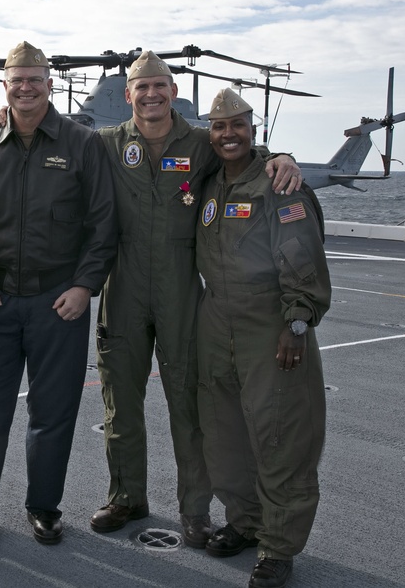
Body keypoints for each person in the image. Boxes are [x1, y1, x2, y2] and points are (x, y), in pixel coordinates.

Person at [89, 51, 302, 549]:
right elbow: (49, 134)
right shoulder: (104, 144)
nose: (151, 94)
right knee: (121, 401)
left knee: (190, 405)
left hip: (182, 289)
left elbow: (243, 150)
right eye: (142, 87)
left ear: (174, 92)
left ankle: (195, 511)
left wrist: (281, 155)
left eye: (160, 85)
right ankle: (126, 496)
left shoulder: (200, 143)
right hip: (122, 286)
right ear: (129, 95)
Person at [0, 41, 117, 552]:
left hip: (56, 304)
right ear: (5, 86)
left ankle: (43, 507)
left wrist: (85, 286)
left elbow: (103, 223)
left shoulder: (82, 143)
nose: (25, 87)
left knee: (53, 411)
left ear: (49, 83)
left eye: (34, 78)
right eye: (16, 79)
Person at [195, 88, 330, 588]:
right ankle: (245, 522)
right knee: (223, 430)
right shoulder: (209, 180)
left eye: (238, 126)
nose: (228, 134)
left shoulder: (280, 184)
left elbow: (303, 257)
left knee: (280, 436)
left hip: (269, 322)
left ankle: (278, 546)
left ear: (254, 130)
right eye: (219, 127)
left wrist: (297, 322)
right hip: (215, 319)